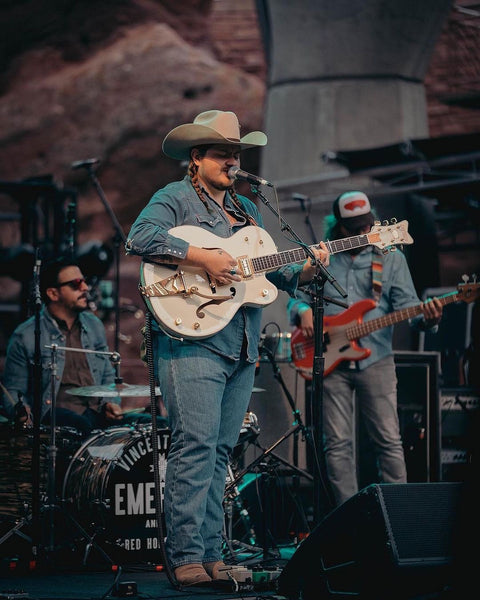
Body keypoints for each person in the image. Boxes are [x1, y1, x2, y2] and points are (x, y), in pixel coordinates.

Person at [125, 109, 330, 587]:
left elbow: (272, 273)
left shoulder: (249, 211)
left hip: (242, 345)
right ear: (196, 158)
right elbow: (140, 237)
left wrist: (307, 267)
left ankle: (214, 555)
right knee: (194, 447)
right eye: (223, 153)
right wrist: (203, 256)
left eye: (237, 154)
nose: (233, 162)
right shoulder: (173, 197)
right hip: (192, 340)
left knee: (221, 452)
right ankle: (184, 557)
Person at [287, 191, 443, 508]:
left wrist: (428, 319)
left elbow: (410, 311)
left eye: (365, 226)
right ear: (337, 227)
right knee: (338, 444)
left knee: (388, 440)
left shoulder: (392, 259)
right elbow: (296, 294)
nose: (361, 234)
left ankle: (397, 513)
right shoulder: (323, 258)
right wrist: (300, 310)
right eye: (353, 228)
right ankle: (350, 516)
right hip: (331, 363)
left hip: (378, 361)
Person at [1, 257, 149, 435]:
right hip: (56, 416)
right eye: (76, 284)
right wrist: (22, 412)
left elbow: (108, 376)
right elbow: (14, 390)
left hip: (96, 414)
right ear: (53, 294)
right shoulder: (25, 335)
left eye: (84, 281)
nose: (85, 288)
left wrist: (110, 403)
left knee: (155, 426)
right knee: (81, 425)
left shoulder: (94, 325)